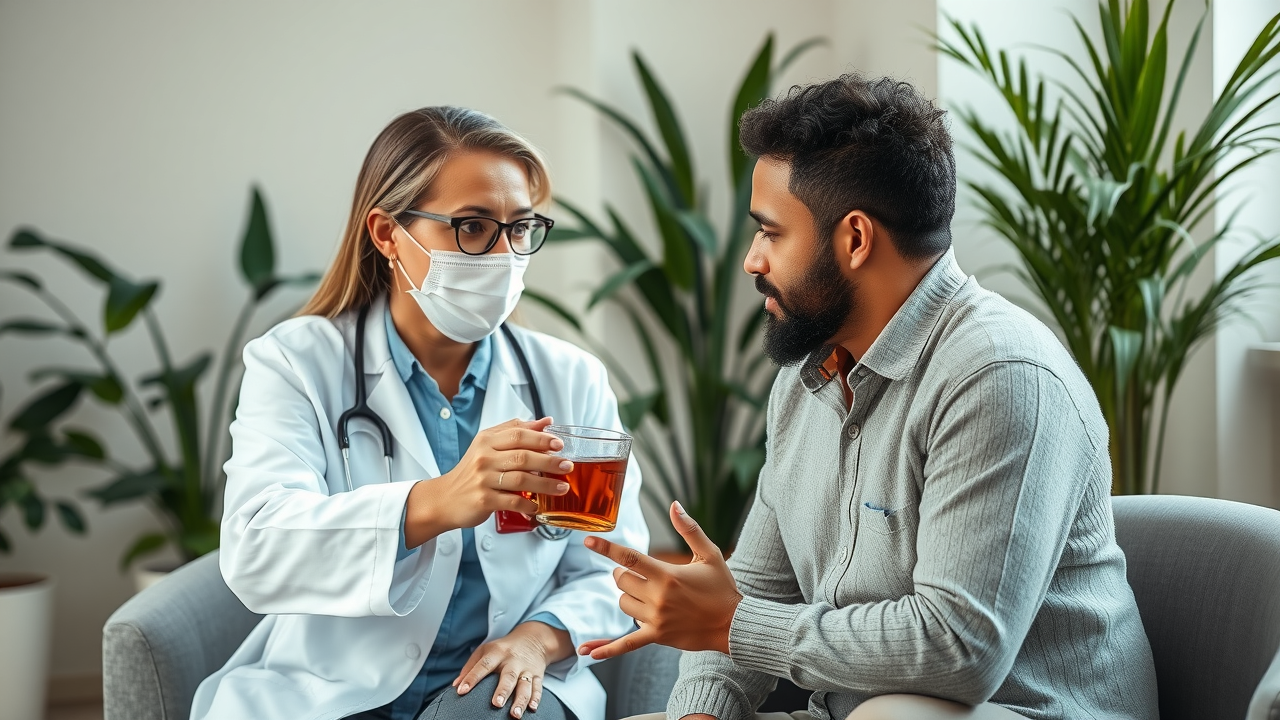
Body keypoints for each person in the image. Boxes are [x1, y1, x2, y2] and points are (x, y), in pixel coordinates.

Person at [578, 75, 1159, 720]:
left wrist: (735, 626)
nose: (751, 259)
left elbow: (960, 650)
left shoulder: (999, 375)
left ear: (855, 239)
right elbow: (750, 589)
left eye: (771, 233)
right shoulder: (808, 379)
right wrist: (701, 713)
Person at [191, 107, 648, 720]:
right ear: (386, 234)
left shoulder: (568, 379)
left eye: (519, 228)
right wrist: (433, 503)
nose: (503, 254)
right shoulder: (296, 362)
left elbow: (616, 566)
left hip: (496, 692)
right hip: (331, 692)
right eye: (472, 227)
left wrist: (539, 639)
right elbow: (256, 550)